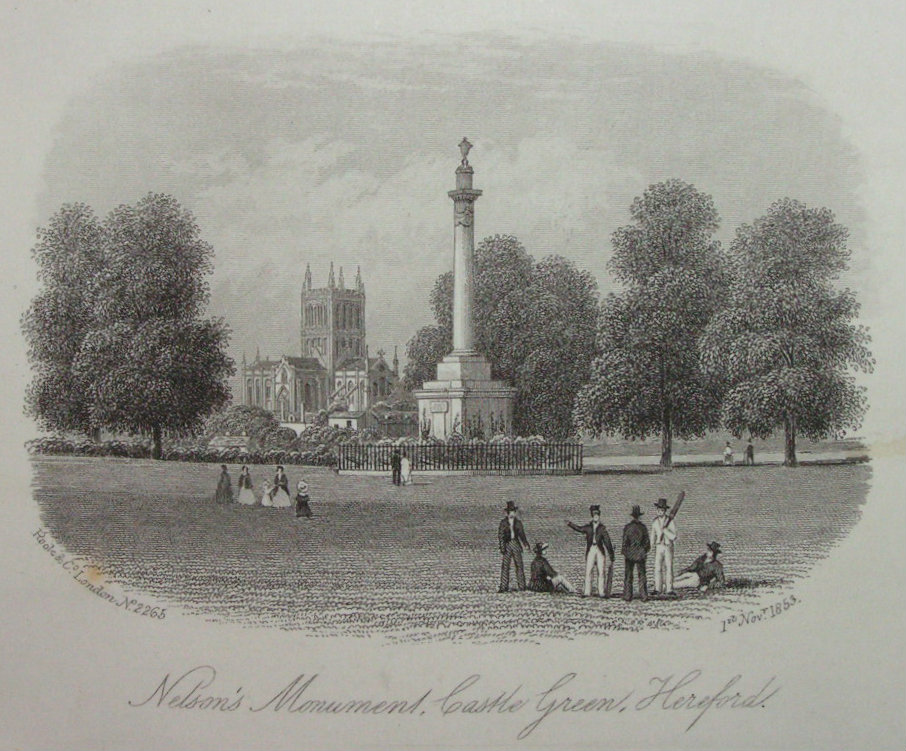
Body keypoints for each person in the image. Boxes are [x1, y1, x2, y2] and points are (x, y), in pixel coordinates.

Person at [566, 504, 614, 598]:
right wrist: (570, 524)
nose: (596, 516)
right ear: (592, 516)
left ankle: (601, 592)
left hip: (600, 550)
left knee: (601, 571)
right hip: (591, 550)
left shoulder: (602, 528)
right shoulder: (588, 527)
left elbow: (607, 542)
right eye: (594, 515)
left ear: (599, 516)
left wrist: (611, 554)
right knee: (589, 570)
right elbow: (579, 529)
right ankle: (587, 592)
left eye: (597, 515)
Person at [497, 500, 530, 592]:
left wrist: (526, 544)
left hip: (516, 543)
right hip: (507, 544)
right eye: (510, 512)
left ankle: (522, 586)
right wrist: (502, 547)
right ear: (507, 513)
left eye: (513, 512)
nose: (512, 514)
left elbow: (522, 535)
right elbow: (501, 536)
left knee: (519, 565)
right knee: (505, 566)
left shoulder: (518, 523)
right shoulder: (503, 523)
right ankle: (503, 587)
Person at [621, 505, 650, 601]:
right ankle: (644, 596)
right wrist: (643, 551)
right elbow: (647, 543)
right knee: (642, 575)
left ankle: (627, 595)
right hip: (640, 554)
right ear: (639, 516)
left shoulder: (627, 527)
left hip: (630, 554)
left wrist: (626, 552)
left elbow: (625, 542)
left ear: (632, 516)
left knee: (628, 575)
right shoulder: (643, 528)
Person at [651, 498, 677, 596]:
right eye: (658, 510)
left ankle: (669, 589)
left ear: (665, 511)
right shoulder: (655, 522)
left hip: (668, 546)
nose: (659, 512)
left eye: (661, 510)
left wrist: (665, 530)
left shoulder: (670, 521)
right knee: (657, 568)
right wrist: (651, 545)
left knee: (669, 567)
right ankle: (657, 589)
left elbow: (674, 536)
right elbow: (653, 536)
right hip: (659, 547)